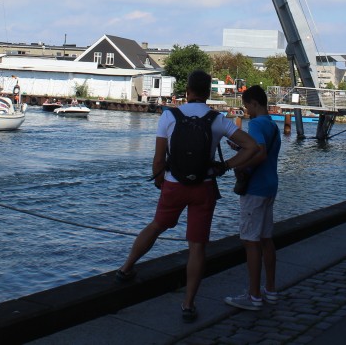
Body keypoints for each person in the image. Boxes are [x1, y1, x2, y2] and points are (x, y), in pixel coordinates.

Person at [115, 70, 259, 324]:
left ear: (188, 91)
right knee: (197, 246)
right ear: (208, 93)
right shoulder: (218, 119)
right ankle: (188, 304)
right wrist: (226, 166)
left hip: (173, 184)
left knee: (157, 226)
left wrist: (161, 179)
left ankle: (126, 268)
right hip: (204, 188)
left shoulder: (169, 115)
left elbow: (159, 158)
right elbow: (251, 147)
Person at [224, 85, 282, 311]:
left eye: (247, 105)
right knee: (267, 239)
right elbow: (263, 150)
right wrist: (241, 147)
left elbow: (259, 152)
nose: (246, 110)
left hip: (255, 188)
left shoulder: (256, 124)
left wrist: (237, 165)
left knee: (251, 241)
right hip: (270, 185)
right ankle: (270, 289)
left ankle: (253, 295)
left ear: (255, 103)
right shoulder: (272, 124)